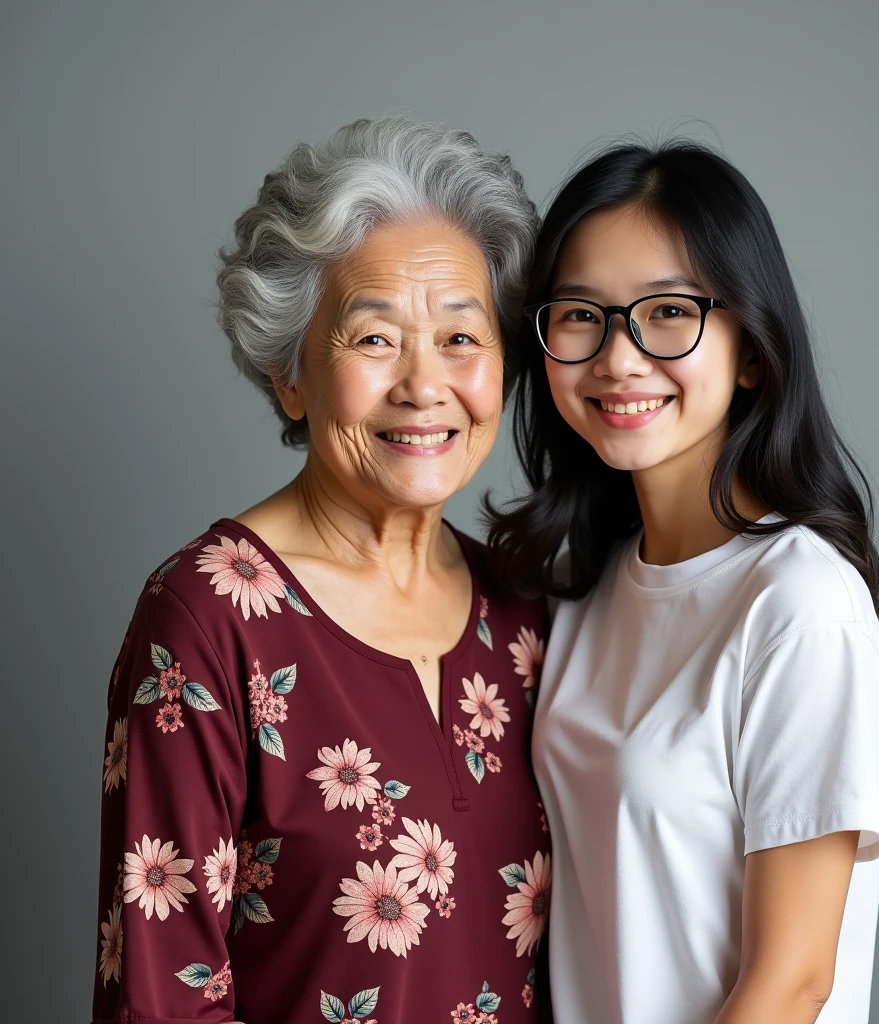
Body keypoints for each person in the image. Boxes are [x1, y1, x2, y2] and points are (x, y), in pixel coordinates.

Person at [92, 116, 552, 1024]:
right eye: (375, 340)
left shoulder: (528, 610)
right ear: (288, 374)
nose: (425, 386)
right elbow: (161, 997)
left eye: (462, 338)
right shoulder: (206, 619)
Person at [489, 141, 879, 1023]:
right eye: (581, 315)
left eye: (667, 312)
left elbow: (792, 982)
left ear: (752, 352)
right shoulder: (588, 592)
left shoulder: (799, 605)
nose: (619, 359)